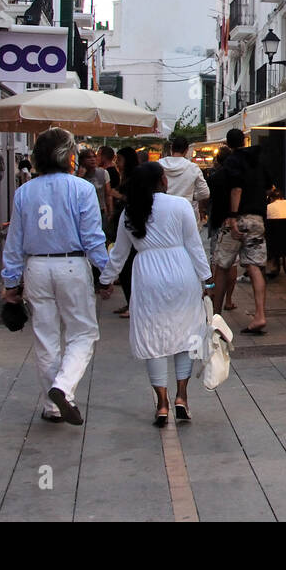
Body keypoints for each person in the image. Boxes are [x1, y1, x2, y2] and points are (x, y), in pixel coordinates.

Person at [0, 127, 110, 425]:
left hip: (36, 267)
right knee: (83, 333)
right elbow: (92, 239)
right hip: (72, 266)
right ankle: (63, 387)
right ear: (69, 156)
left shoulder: (24, 192)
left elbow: (15, 242)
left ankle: (52, 405)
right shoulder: (82, 189)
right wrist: (106, 273)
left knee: (46, 337)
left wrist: (11, 283)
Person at [98, 162, 213, 426]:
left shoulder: (130, 211)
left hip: (147, 274)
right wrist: (207, 279)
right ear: (160, 181)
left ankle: (161, 403)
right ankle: (181, 396)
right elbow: (194, 245)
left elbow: (119, 254)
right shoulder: (180, 205)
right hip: (181, 271)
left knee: (153, 337)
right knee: (185, 334)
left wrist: (105, 281)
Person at [213, 128, 272, 335]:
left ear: (228, 144)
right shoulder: (259, 159)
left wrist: (232, 216)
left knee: (222, 265)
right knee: (255, 267)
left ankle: (216, 316)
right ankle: (260, 315)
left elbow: (236, 188)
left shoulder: (233, 161)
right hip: (257, 219)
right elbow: (268, 187)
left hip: (238, 219)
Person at [205, 147, 238, 312]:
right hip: (233, 222)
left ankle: (212, 291)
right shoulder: (236, 176)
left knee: (215, 263)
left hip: (217, 221)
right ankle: (229, 299)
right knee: (233, 264)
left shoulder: (214, 177)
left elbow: (206, 198)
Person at [110, 146, 140, 317]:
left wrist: (118, 196)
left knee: (128, 266)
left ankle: (132, 305)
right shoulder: (126, 177)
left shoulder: (134, 178)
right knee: (124, 266)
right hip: (123, 226)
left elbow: (136, 199)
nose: (117, 163)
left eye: (119, 160)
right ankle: (129, 302)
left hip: (131, 228)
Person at [159, 135, 210, 219]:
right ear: (186, 150)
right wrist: (191, 196)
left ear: (171, 148)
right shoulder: (193, 168)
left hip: (163, 212)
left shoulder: (159, 165)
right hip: (186, 212)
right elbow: (205, 193)